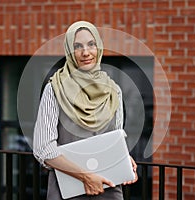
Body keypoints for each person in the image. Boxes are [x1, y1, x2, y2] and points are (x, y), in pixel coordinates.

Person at [33, 21, 138, 199]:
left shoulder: (114, 91)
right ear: (69, 51)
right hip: (68, 192)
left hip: (109, 189)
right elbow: (43, 149)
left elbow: (115, 139)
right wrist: (86, 177)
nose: (86, 52)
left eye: (91, 44)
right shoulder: (54, 89)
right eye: (77, 46)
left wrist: (124, 158)